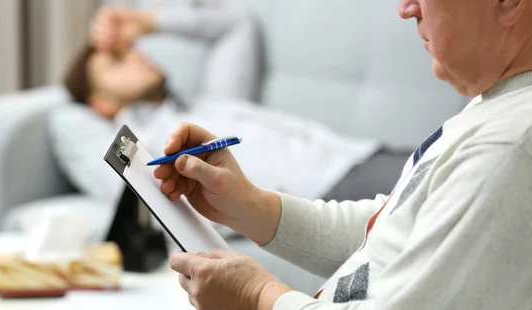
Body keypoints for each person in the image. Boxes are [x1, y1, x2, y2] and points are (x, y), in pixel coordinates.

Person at [144, 0, 532, 310]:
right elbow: (396, 230)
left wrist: (258, 299)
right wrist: (251, 206)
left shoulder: (509, 146)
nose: (407, 8)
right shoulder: (499, 105)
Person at [55, 5, 403, 207]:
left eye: (131, 47)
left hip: (367, 154)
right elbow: (68, 128)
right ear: (100, 102)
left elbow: (237, 26)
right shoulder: (147, 146)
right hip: (329, 191)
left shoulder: (212, 99)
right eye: (118, 60)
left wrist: (148, 22)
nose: (137, 53)